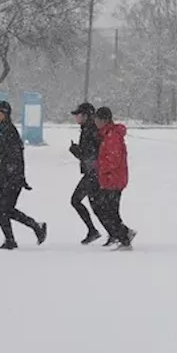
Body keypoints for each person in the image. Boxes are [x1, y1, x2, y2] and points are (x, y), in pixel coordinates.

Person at [0, 101, 47, 250]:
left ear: (2, 114)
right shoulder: (5, 130)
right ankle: (31, 229)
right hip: (8, 178)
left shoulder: (9, 131)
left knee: (1, 209)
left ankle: (15, 238)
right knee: (3, 209)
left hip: (11, 179)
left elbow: (16, 156)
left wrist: (13, 176)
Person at [94, 107, 136, 251]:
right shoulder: (108, 134)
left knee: (107, 210)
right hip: (112, 179)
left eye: (97, 119)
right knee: (110, 210)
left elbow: (113, 159)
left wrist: (99, 166)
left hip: (114, 179)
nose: (95, 122)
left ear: (104, 120)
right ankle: (124, 234)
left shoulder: (112, 136)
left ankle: (124, 238)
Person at [68, 102, 103, 245]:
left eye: (78, 115)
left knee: (77, 201)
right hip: (93, 172)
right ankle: (111, 232)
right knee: (97, 206)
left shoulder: (89, 130)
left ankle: (98, 231)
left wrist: (75, 150)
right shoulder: (88, 128)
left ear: (86, 115)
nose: (76, 117)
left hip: (93, 174)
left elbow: (89, 155)